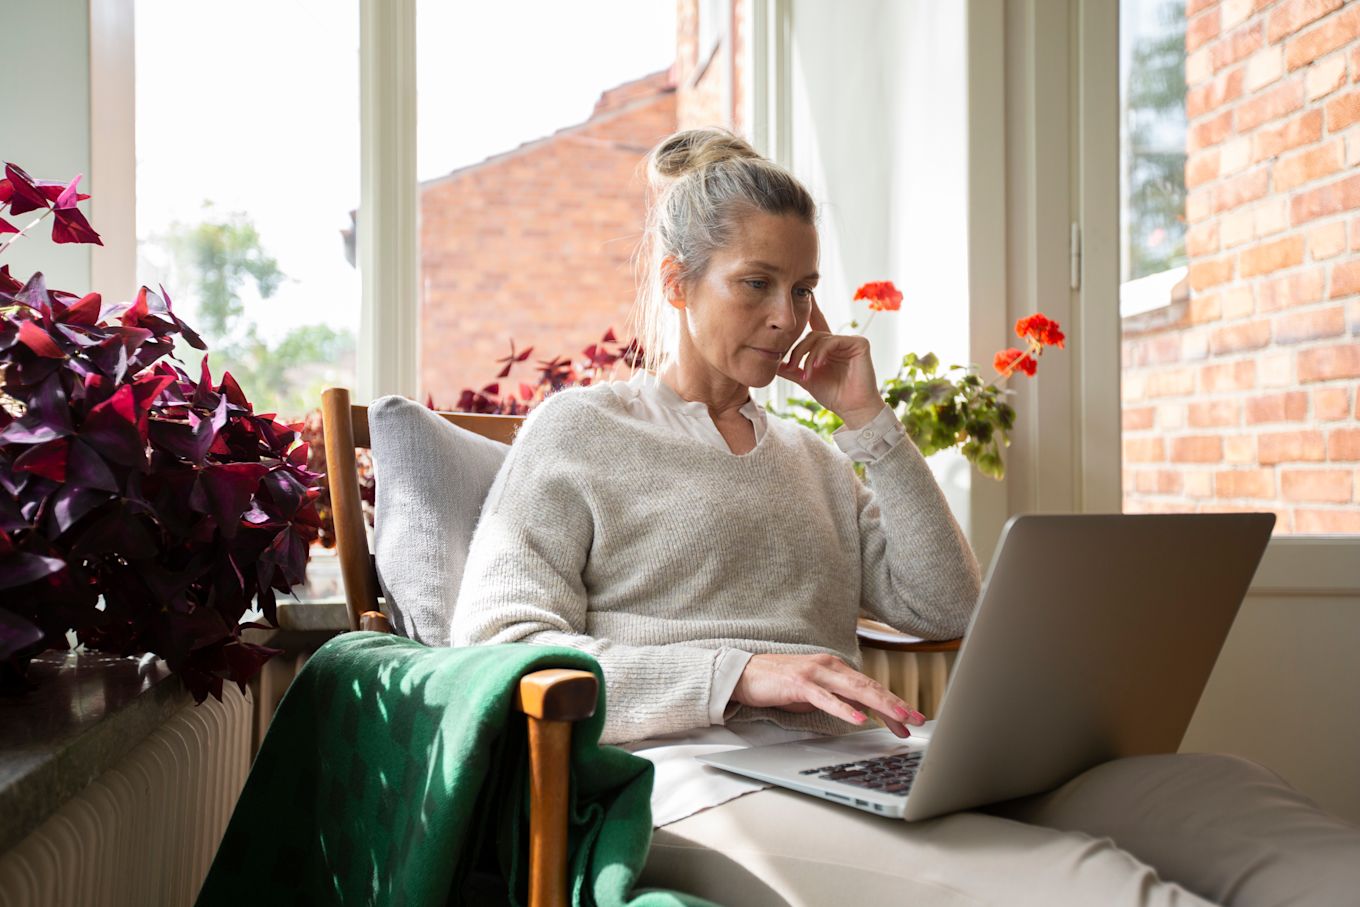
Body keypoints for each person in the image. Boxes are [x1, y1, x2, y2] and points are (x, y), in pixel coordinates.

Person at [452, 128, 1360, 907]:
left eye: (803, 288)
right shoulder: (580, 430)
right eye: (756, 284)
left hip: (857, 761)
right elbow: (499, 650)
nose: (786, 316)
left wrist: (867, 423)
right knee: (1088, 881)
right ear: (678, 283)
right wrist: (737, 672)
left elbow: (945, 608)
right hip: (689, 778)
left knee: (1225, 800)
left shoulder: (810, 456)